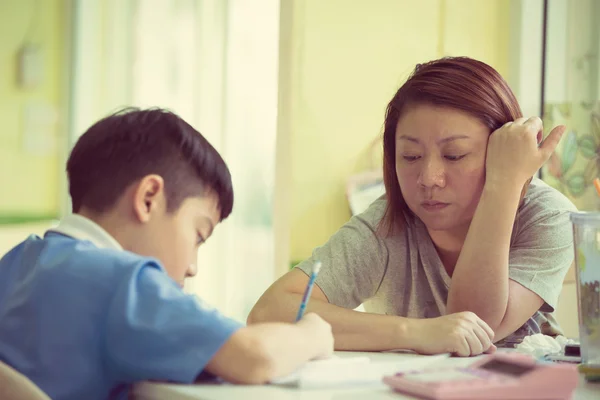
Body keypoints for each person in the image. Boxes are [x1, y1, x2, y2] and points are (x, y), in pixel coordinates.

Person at [248, 56, 576, 356]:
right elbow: (269, 312)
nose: (429, 178)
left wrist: (503, 184)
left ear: (500, 153)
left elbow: (476, 323)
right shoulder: (387, 222)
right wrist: (414, 332)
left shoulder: (548, 217)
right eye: (410, 156)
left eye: (455, 155)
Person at [0, 108, 333, 400]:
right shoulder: (124, 281)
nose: (192, 267)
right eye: (198, 235)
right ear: (148, 198)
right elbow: (255, 356)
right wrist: (313, 334)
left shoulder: (16, 261)